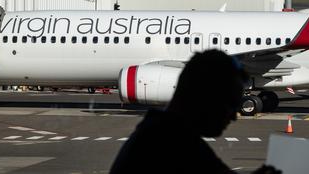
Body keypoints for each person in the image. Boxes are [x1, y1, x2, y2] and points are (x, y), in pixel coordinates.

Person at [110, 49, 280, 174]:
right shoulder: (174, 145)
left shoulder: (159, 133)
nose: (232, 117)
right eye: (229, 105)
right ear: (205, 98)